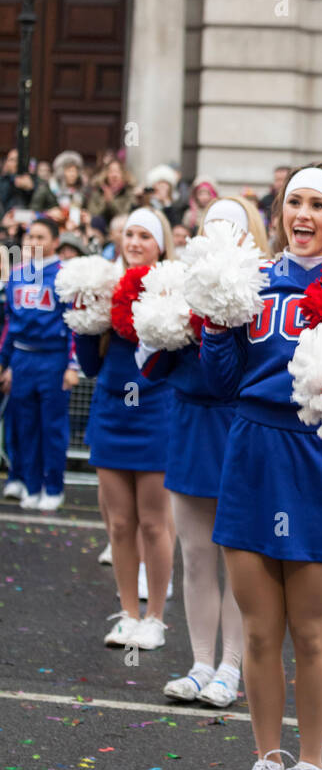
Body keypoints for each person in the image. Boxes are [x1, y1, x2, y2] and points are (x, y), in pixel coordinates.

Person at [199, 163, 322, 770]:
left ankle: (311, 764)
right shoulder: (251, 279)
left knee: (310, 631)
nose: (301, 214)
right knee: (256, 630)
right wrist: (217, 325)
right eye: (292, 202)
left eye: (316, 204)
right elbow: (221, 383)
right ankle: (265, 759)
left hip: (314, 452)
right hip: (250, 447)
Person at [138, 198, 268, 707]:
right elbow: (151, 367)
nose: (215, 233)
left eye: (228, 227)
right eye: (209, 225)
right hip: (190, 424)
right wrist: (161, 328)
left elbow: (245, 367)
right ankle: (198, 663)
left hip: (237, 425)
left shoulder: (259, 284)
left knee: (237, 558)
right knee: (194, 555)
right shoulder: (179, 279)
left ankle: (231, 667)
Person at [74, 209, 176, 651]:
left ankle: (154, 616)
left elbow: (175, 361)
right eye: (129, 233)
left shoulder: (174, 289)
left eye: (145, 236)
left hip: (155, 413)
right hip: (111, 413)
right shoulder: (103, 285)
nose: (134, 242)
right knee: (118, 524)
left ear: (160, 246)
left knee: (154, 523)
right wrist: (83, 318)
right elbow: (92, 364)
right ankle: (127, 613)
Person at [0, 217, 78, 510]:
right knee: (25, 425)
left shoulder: (64, 275)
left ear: (56, 242)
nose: (34, 243)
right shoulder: (17, 274)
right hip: (22, 359)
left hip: (53, 358)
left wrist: (72, 365)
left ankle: (53, 485)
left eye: (41, 238)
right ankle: (31, 485)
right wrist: (3, 361)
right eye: (31, 237)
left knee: (52, 427)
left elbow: (74, 324)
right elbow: (10, 324)